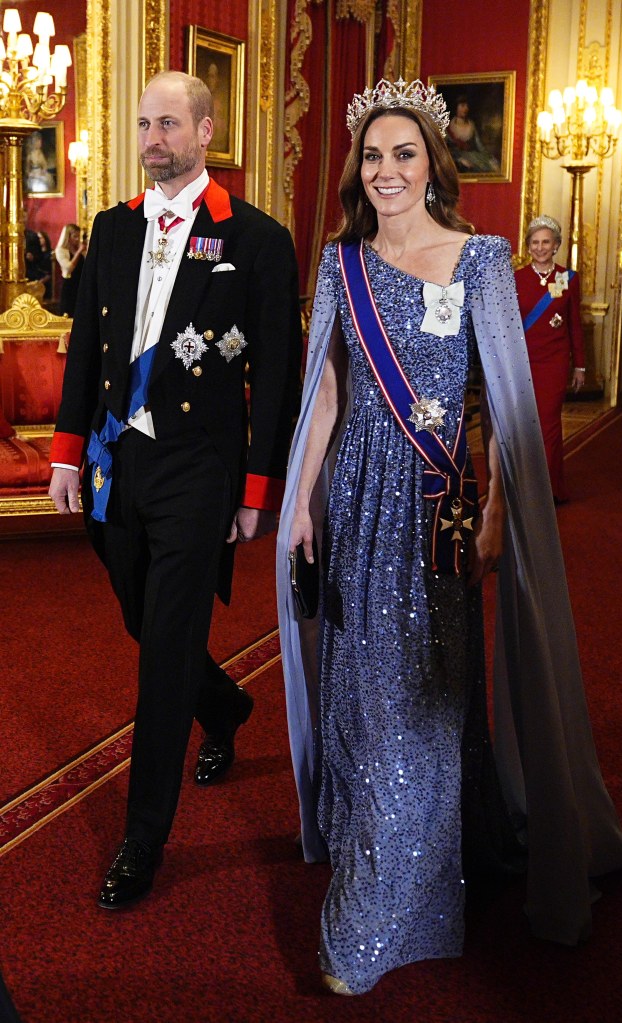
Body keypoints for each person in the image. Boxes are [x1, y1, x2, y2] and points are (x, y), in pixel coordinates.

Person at [276, 78, 622, 996]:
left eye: (404, 154)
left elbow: (505, 408)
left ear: (433, 164)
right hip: (355, 495)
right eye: (372, 156)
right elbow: (324, 393)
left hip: (434, 503)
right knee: (364, 686)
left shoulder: (480, 258)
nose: (387, 170)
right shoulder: (338, 262)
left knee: (429, 690)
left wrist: (492, 511)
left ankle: (403, 894)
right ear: (357, 171)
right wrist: (298, 502)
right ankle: (383, 866)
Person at [49, 71, 301, 910]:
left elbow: (276, 374)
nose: (153, 138)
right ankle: (225, 705)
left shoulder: (256, 238)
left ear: (205, 131)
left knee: (162, 652)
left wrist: (257, 486)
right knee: (138, 614)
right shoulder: (113, 228)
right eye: (144, 123)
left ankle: (141, 837)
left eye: (169, 123)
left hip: (199, 468)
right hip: (120, 461)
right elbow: (88, 341)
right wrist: (65, 451)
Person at [515, 215, 585, 502]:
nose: (540, 248)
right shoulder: (516, 278)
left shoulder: (568, 278)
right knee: (521, 425)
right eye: (535, 242)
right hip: (523, 360)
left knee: (548, 424)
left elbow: (575, 324)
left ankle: (549, 490)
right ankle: (524, 488)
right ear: (528, 245)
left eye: (546, 242)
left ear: (556, 245)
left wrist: (579, 364)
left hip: (554, 362)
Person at [446, 95, 499, 174]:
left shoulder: (471, 125)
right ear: (456, 107)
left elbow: (480, 146)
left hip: (473, 156)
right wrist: (459, 159)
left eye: (467, 106)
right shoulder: (449, 127)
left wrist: (490, 158)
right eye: (463, 106)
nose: (466, 109)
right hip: (455, 159)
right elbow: (445, 149)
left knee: (491, 166)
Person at [55, 224, 88, 317]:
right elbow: (68, 268)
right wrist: (78, 252)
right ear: (68, 237)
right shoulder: (61, 250)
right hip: (70, 284)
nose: (77, 239)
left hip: (81, 284)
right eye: (75, 236)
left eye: (78, 236)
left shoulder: (80, 249)